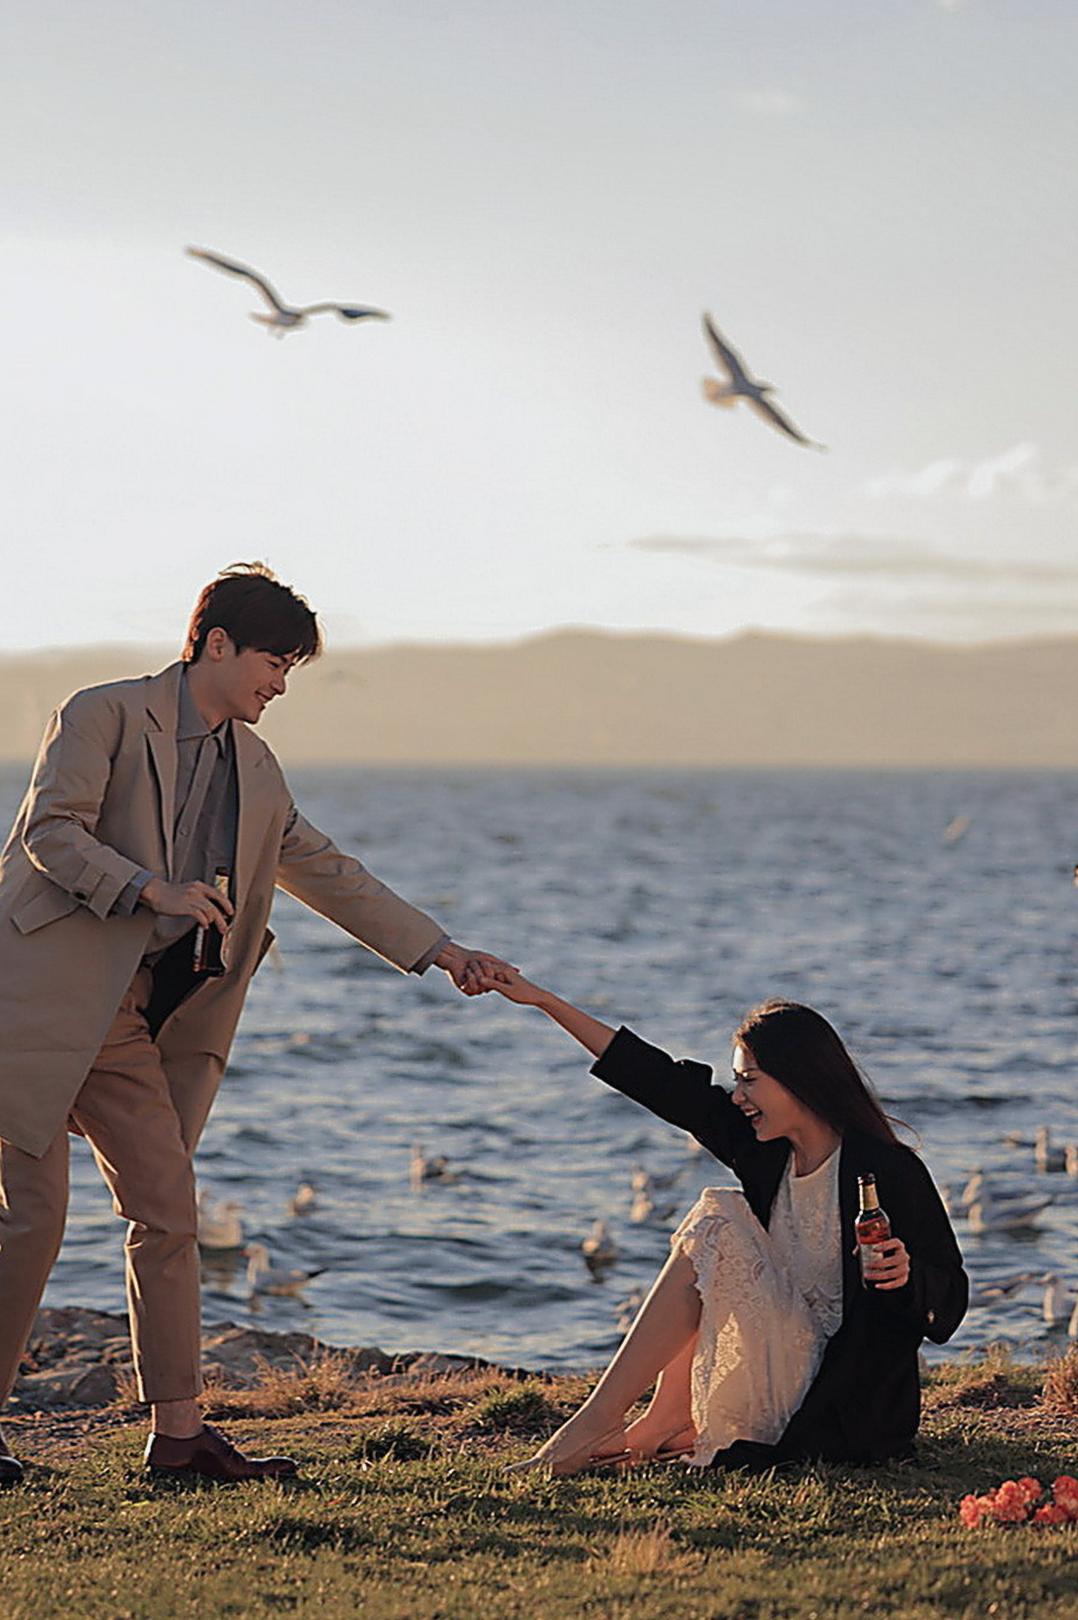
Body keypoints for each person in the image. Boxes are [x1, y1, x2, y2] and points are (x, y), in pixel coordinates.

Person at [0, 563, 512, 1486]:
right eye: (274, 663)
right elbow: (50, 832)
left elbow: (328, 869)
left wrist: (441, 951)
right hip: (29, 999)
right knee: (32, 1220)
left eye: (289, 668)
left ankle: (180, 1439)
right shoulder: (101, 713)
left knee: (168, 1210)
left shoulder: (256, 767)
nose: (280, 684)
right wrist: (150, 888)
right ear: (216, 644)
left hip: (127, 1021)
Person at [475, 970, 968, 1474]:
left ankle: (615, 1425)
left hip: (841, 1400)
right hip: (776, 1359)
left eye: (749, 1080)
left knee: (718, 1220)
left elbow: (950, 1304)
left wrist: (908, 1277)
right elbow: (656, 1079)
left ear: (801, 1079)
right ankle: (649, 1423)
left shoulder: (888, 1169)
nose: (737, 1096)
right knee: (722, 1216)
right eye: (737, 1081)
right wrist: (542, 999)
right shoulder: (765, 1150)